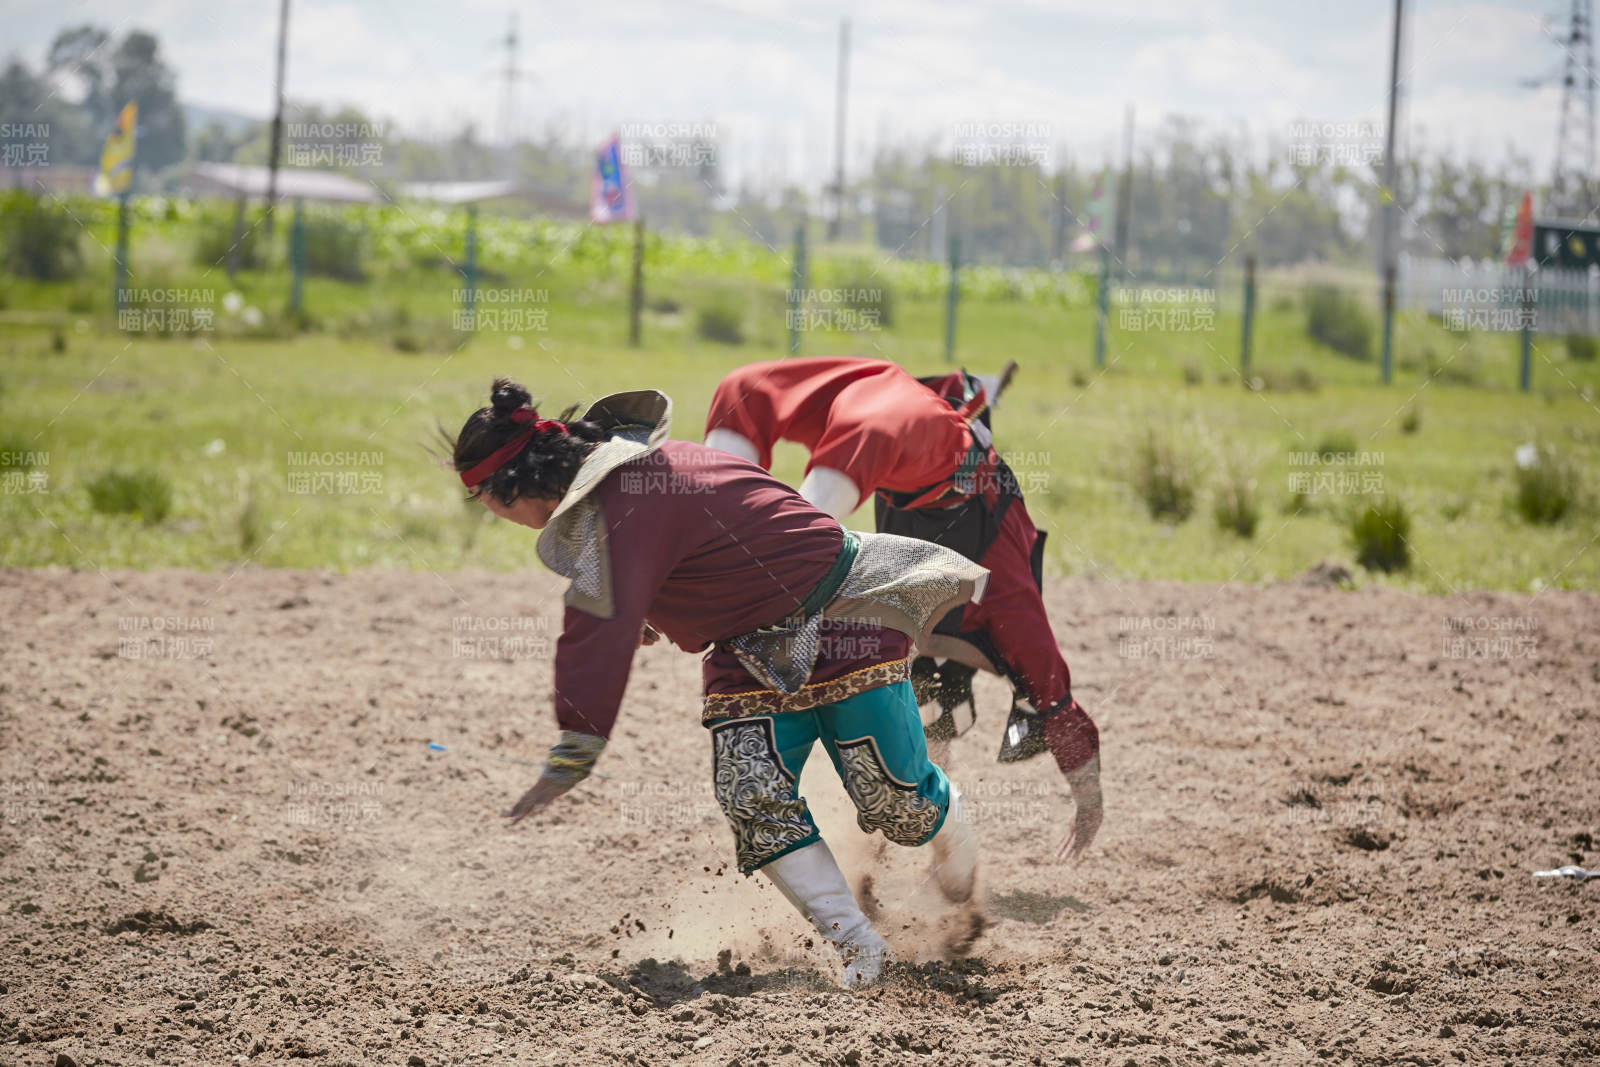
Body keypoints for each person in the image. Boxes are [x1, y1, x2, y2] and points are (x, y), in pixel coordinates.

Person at [448, 377, 990, 987]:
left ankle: (949, 822)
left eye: (482, 499)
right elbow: (700, 555)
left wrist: (575, 748)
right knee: (752, 794)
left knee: (895, 802)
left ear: (510, 488)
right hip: (745, 650)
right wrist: (654, 611)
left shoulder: (623, 505)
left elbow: (596, 629)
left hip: (843, 613)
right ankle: (860, 947)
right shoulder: (625, 497)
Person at [704, 356, 1103, 862]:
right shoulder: (875, 430)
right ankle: (920, 804)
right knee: (745, 389)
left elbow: (1054, 695)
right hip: (906, 481)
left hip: (960, 505)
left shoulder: (1005, 596)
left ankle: (926, 804)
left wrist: (1089, 803)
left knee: (943, 675)